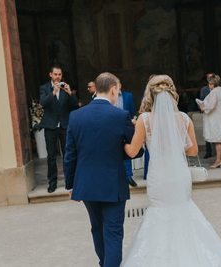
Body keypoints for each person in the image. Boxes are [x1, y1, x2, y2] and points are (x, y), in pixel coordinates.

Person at [121, 75, 221, 267]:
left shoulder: (144, 120)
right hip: (179, 176)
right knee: (183, 211)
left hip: (158, 177)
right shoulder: (184, 119)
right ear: (172, 93)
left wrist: (122, 143)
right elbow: (192, 150)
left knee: (159, 214)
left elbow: (133, 151)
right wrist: (174, 144)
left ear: (150, 95)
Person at [64, 72, 143, 267]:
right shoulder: (120, 116)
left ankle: (104, 264)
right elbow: (136, 150)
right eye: (118, 90)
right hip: (112, 184)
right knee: (113, 233)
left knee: (97, 229)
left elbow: (70, 155)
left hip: (86, 184)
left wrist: (70, 184)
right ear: (113, 89)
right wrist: (120, 149)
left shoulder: (75, 116)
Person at [39, 65, 78, 193]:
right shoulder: (44, 88)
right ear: (50, 75)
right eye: (55, 74)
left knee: (67, 155)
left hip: (64, 126)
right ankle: (52, 183)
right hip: (50, 126)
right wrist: (53, 92)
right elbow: (43, 103)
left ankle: (69, 181)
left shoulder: (65, 87)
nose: (57, 77)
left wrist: (69, 93)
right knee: (51, 156)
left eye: (59, 74)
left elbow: (74, 106)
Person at [199, 74, 221, 168]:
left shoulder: (214, 92)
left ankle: (218, 161)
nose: (209, 85)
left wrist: (203, 108)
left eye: (210, 83)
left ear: (212, 83)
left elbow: (211, 106)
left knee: (218, 140)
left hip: (216, 119)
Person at [115, 82, 138, 187]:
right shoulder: (110, 95)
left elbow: (132, 110)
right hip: (113, 126)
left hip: (126, 125)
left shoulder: (128, 96)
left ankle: (129, 176)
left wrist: (133, 120)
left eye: (118, 83)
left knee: (127, 149)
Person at [199, 73, 214, 159]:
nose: (210, 79)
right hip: (207, 113)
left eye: (211, 78)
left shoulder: (218, 89)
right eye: (209, 78)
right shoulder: (204, 89)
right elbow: (201, 99)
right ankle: (208, 152)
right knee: (207, 132)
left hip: (216, 114)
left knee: (218, 132)